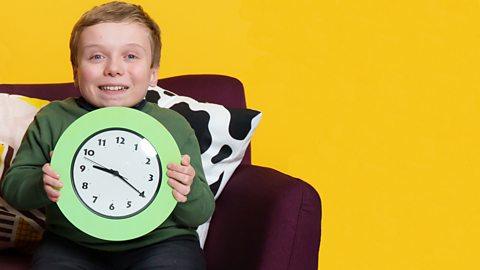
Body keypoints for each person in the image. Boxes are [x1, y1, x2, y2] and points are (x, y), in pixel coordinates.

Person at [1, 1, 215, 269]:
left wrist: (188, 189)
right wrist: (39, 183)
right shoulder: (53, 118)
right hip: (71, 244)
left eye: (131, 56)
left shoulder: (173, 125)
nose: (113, 68)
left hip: (161, 244)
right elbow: (13, 187)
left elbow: (201, 211)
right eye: (96, 56)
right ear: (76, 72)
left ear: (153, 73)